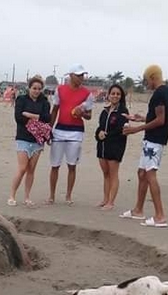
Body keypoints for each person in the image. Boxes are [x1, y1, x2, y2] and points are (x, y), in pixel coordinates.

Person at [120, 64, 168, 228]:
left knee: (150, 174)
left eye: (146, 80)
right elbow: (158, 117)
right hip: (154, 138)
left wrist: (136, 129)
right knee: (142, 173)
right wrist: (142, 118)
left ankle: (160, 215)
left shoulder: (159, 93)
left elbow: (160, 120)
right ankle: (138, 210)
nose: (145, 84)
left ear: (152, 77)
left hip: (155, 140)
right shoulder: (167, 92)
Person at [47, 64, 94, 205]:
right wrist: (49, 128)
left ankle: (68, 196)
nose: (82, 78)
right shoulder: (60, 90)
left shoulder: (87, 94)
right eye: (79, 75)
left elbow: (89, 116)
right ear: (71, 75)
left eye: (83, 75)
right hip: (60, 130)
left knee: (72, 165)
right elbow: (55, 110)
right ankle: (52, 195)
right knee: (55, 165)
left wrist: (82, 113)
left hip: (76, 131)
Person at [8, 75, 51, 207]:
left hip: (38, 140)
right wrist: (33, 118)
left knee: (31, 169)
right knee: (22, 168)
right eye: (34, 88)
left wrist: (30, 115)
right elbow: (18, 118)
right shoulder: (21, 99)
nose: (36, 91)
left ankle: (27, 197)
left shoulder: (44, 102)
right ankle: (12, 195)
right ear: (29, 88)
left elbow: (46, 118)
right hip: (23, 138)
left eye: (39, 89)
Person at [95, 84, 134, 210]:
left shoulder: (123, 112)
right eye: (113, 93)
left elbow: (121, 130)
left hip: (115, 146)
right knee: (105, 174)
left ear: (121, 96)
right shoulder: (104, 111)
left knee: (113, 174)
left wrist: (106, 135)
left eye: (118, 94)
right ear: (109, 95)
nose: (115, 96)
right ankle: (105, 199)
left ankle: (111, 202)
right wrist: (99, 134)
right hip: (102, 147)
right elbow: (100, 127)